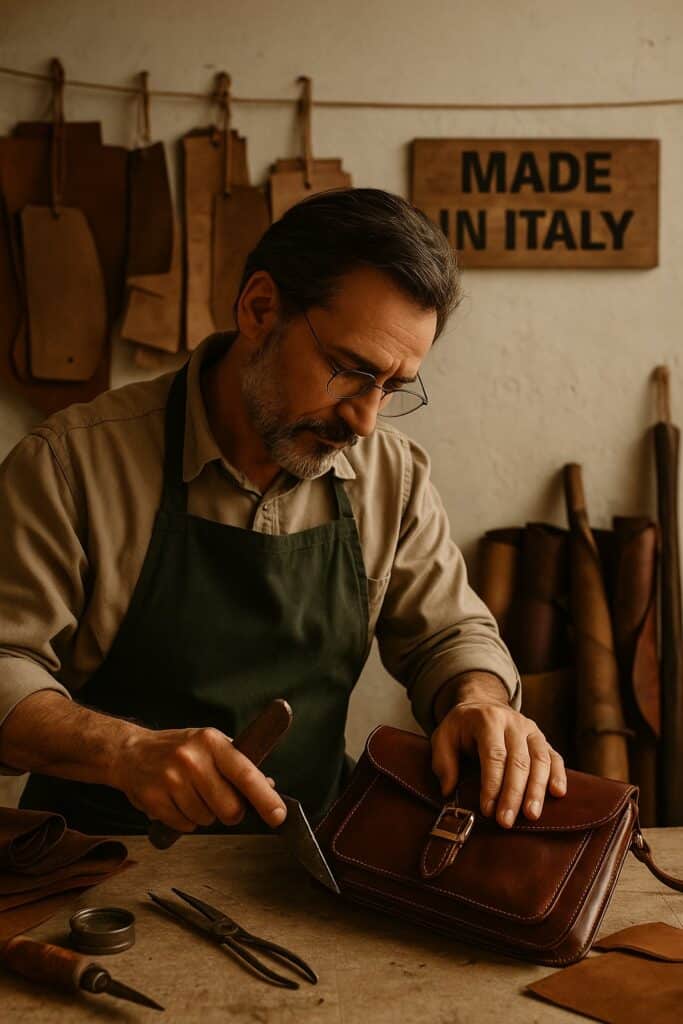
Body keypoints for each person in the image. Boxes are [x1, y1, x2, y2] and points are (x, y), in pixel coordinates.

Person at [0, 188, 566, 836]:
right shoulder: (70, 462)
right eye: (350, 371)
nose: (363, 419)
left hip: (307, 861)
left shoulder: (392, 476)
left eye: (392, 388)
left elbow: (447, 635)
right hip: (97, 866)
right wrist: (122, 752)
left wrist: (477, 700)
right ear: (259, 308)